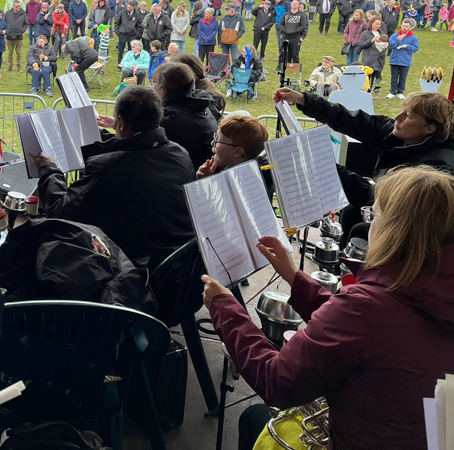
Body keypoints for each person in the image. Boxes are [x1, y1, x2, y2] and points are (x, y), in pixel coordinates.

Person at [203, 165, 454, 450]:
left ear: (394, 232)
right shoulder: (423, 294)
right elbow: (365, 329)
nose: (369, 224)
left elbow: (276, 381)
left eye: (374, 216)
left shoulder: (363, 309)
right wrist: (295, 278)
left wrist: (225, 308)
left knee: (253, 418)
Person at [35, 86, 195, 267]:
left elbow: (59, 211)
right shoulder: (179, 153)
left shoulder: (108, 167)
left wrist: (48, 169)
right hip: (181, 263)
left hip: (137, 267)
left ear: (121, 123)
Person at [275, 87, 454, 235]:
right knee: (351, 212)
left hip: (406, 230)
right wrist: (304, 99)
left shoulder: (436, 167)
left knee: (358, 227)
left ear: (430, 128)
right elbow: (352, 120)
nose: (397, 118)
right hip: (381, 208)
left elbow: (379, 197)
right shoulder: (399, 133)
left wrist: (324, 166)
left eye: (408, 116)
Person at [152, 62, 218, 170]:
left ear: (163, 88)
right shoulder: (199, 103)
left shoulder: (170, 119)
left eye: (154, 82)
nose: (153, 87)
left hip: (193, 174)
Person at [387, 18, 419, 99]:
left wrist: (407, 46)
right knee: (394, 77)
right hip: (394, 60)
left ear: (410, 27)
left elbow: (415, 48)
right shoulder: (395, 36)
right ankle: (392, 92)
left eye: (406, 26)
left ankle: (400, 92)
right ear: (401, 26)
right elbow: (390, 45)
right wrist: (397, 40)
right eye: (403, 26)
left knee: (403, 78)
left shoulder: (413, 38)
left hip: (405, 61)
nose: (404, 28)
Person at [358, 18, 388, 92]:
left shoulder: (382, 33)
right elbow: (361, 44)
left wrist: (384, 44)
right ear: (371, 23)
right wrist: (372, 40)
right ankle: (365, 91)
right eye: (376, 24)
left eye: (379, 24)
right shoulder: (365, 33)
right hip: (369, 58)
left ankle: (369, 91)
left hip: (379, 59)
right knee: (368, 75)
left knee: (374, 75)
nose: (377, 26)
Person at [278, 0, 307, 64]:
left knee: (295, 54)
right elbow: (281, 24)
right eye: (293, 3)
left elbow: (303, 26)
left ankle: (295, 68)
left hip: (295, 37)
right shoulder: (286, 14)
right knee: (283, 53)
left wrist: (296, 32)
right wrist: (284, 31)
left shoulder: (302, 15)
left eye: (296, 3)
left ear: (298, 5)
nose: (294, 4)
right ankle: (281, 67)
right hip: (285, 36)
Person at [4, 0, 29, 72]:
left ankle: (19, 67)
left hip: (18, 36)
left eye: (19, 6)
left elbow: (26, 24)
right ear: (13, 6)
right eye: (16, 6)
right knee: (10, 53)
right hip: (9, 36)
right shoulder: (8, 13)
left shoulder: (23, 14)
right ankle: (10, 67)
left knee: (19, 53)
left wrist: (22, 31)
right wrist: (6, 30)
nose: (18, 8)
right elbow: (4, 23)